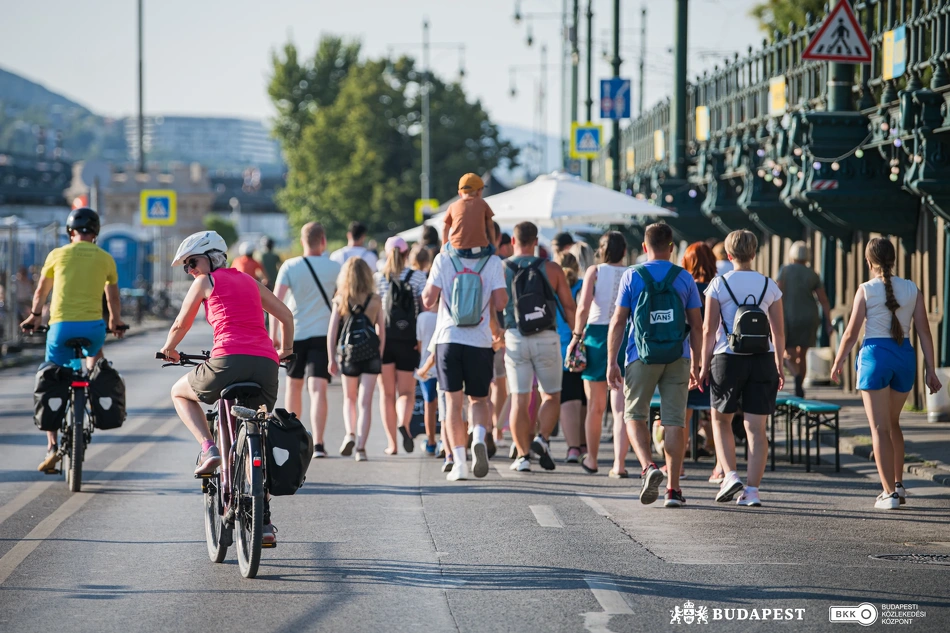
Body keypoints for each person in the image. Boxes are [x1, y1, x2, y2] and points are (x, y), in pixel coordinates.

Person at [159, 230, 294, 545]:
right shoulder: (250, 281)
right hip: (266, 366)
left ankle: (209, 449)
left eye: (192, 262)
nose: (190, 270)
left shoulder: (206, 282)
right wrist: (285, 350)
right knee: (255, 432)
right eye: (187, 267)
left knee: (179, 392)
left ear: (210, 257)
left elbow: (181, 323)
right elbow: (286, 315)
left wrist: (170, 347)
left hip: (226, 362)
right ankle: (263, 522)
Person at [831, 237, 942, 510]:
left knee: (879, 429)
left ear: (869, 262)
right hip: (904, 357)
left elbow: (851, 333)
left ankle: (888, 492)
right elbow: (924, 332)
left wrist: (838, 361)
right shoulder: (912, 289)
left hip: (874, 357)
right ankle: (899, 484)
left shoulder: (866, 290)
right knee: (893, 424)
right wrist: (931, 369)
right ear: (893, 260)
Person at [23, 208, 126, 472]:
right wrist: (115, 321)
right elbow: (113, 298)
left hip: (60, 328)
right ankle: (92, 397)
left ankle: (52, 446)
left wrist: (35, 317)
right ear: (96, 233)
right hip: (93, 329)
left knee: (53, 374)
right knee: (95, 360)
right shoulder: (105, 258)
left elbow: (40, 293)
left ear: (70, 232)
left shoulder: (57, 255)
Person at [607, 223, 703, 508]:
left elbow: (618, 321)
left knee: (634, 415)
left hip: (640, 356)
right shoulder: (684, 278)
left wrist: (612, 361)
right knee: (675, 420)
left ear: (645, 247)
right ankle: (673, 489)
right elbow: (697, 326)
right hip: (678, 356)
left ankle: (648, 467)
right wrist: (697, 362)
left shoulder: (631, 276)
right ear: (672, 247)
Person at [699, 230, 784, 508]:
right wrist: (779, 365)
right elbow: (779, 332)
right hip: (763, 358)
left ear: (728, 254)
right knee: (756, 429)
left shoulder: (718, 284)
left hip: (727, 358)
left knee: (721, 420)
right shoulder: (769, 285)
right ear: (754, 253)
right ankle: (752, 491)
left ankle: (730, 474)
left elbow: (708, 329)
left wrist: (702, 365)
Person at [422, 231, 508, 481]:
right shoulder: (493, 262)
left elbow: (428, 300)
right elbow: (501, 303)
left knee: (453, 404)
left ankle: (459, 463)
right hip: (479, 342)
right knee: (479, 401)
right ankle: (478, 438)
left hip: (448, 339)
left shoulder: (443, 259)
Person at [502, 222, 577, 473]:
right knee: (552, 395)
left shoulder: (502, 268)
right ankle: (542, 438)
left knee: (519, 400)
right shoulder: (552, 268)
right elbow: (568, 306)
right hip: (546, 336)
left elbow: (492, 305)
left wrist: (496, 332)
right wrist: (577, 335)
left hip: (515, 337)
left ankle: (522, 456)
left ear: (513, 241)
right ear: (536, 242)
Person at [271, 222, 341, 458]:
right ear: (323, 240)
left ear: (302, 241)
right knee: (318, 388)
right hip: (323, 333)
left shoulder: (290, 266)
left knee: (294, 385)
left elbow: (276, 303)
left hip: (295, 333)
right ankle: (319, 443)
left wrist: (275, 336)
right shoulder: (335, 267)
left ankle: (293, 440)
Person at [569, 231, 630, 477]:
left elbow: (583, 307)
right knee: (621, 407)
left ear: (602, 251)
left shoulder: (594, 272)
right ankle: (619, 464)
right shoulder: (630, 272)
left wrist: (576, 335)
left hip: (595, 337)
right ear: (624, 252)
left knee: (595, 406)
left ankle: (592, 459)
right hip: (623, 335)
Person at [327, 257, 385, 462]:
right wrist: (380, 353)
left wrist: (331, 358)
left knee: (349, 398)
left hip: (349, 354)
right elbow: (381, 331)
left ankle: (350, 433)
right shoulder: (376, 299)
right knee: (365, 402)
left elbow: (332, 331)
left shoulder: (341, 298)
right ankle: (361, 448)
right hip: (370, 353)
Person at [374, 236, 427, 455]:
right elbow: (424, 311)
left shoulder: (378, 278)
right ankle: (404, 425)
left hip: (383, 342)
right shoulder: (418, 277)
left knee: (387, 394)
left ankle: (392, 444)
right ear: (407, 254)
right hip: (409, 341)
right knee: (406, 392)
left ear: (387, 253)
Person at [681, 242, 722, 483]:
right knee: (718, 415)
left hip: (690, 358)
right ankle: (720, 465)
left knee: (682, 416)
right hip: (718, 356)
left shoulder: (687, 288)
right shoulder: (718, 286)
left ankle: (677, 466)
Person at [777, 241, 833, 397]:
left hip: (789, 316)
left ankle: (795, 376)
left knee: (788, 354)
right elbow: (823, 300)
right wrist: (828, 322)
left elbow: (776, 292)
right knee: (803, 354)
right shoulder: (813, 274)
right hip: (809, 316)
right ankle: (799, 387)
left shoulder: (785, 271)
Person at [556, 251, 586, 463]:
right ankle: (585, 444)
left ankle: (573, 448)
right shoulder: (584, 284)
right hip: (585, 347)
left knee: (568, 398)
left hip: (560, 348)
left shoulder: (553, 286)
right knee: (585, 398)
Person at [442, 173, 496, 257]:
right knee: (491, 249)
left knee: (447, 246)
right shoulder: (483, 204)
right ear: (479, 192)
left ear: (460, 193)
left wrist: (443, 246)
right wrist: (493, 245)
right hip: (479, 249)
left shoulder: (452, 206)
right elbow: (490, 226)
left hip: (458, 249)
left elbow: (445, 228)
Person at [416, 301, 440, 454]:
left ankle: (431, 442)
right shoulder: (446, 315)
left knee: (429, 405)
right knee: (449, 406)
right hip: (445, 366)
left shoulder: (422, 317)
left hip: (426, 366)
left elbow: (419, 344)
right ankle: (446, 441)